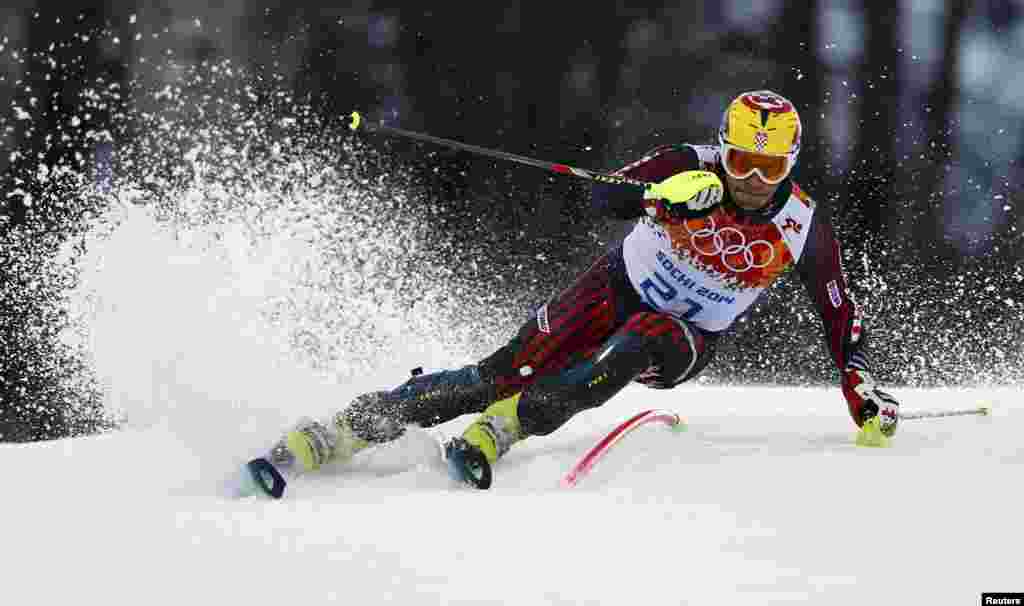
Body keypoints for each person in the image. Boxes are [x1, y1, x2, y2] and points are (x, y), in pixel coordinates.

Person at [271, 90, 900, 488]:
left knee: (639, 340)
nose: (755, 180)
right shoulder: (687, 162)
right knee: (498, 373)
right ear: (724, 150)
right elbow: (600, 193)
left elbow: (837, 312)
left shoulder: (803, 226)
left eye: (772, 168)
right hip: (614, 287)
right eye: (742, 162)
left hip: (684, 337)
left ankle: (508, 428)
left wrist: (859, 381)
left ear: (791, 166)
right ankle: (343, 429)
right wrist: (660, 196)